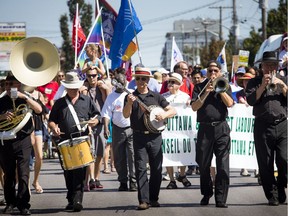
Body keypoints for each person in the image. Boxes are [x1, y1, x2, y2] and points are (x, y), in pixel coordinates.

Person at [123, 67, 176, 210]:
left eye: (144, 78)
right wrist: (128, 103)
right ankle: (143, 200)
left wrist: (163, 116)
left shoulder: (156, 96)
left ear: (148, 81)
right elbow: (126, 115)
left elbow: (173, 110)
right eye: (138, 78)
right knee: (140, 168)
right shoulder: (130, 96)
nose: (141, 81)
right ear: (135, 80)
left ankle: (154, 198)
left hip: (155, 136)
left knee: (156, 169)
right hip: (139, 136)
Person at [48, 71, 101, 212]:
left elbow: (97, 115)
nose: (73, 90)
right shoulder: (59, 103)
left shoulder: (87, 100)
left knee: (80, 171)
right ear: (66, 88)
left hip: (81, 139)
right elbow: (51, 120)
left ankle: (78, 199)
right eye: (70, 87)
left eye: (75, 87)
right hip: (64, 141)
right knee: (68, 172)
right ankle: (71, 198)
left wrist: (95, 120)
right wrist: (54, 128)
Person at [246, 51, 287, 206]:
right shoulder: (254, 82)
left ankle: (282, 185)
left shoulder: (283, 80)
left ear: (277, 66)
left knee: (284, 159)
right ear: (261, 66)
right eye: (267, 64)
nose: (270, 67)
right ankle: (272, 195)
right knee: (265, 163)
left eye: (273, 64)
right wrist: (263, 85)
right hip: (262, 125)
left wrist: (282, 84)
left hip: (282, 124)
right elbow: (250, 100)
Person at [191, 60, 234, 208]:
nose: (213, 73)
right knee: (203, 165)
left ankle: (221, 198)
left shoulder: (225, 85)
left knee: (222, 165)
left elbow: (230, 104)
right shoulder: (199, 87)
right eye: (210, 71)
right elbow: (194, 107)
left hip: (221, 128)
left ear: (220, 72)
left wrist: (220, 90)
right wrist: (206, 92)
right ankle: (207, 193)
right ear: (206, 73)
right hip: (205, 129)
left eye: (216, 71)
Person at [0, 74, 42, 215]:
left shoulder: (26, 97)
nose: (8, 86)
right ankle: (10, 203)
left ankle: (24, 204)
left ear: (19, 85)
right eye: (6, 84)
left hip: (23, 140)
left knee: (24, 173)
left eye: (11, 83)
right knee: (9, 174)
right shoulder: (1, 100)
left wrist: (25, 97)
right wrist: (1, 116)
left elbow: (39, 110)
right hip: (5, 141)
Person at [101, 68, 137, 191]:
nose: (122, 84)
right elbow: (106, 114)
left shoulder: (132, 93)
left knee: (132, 156)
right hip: (117, 130)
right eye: (119, 82)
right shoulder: (111, 97)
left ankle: (133, 181)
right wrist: (106, 128)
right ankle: (123, 181)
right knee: (119, 157)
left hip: (132, 129)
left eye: (124, 82)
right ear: (115, 83)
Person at [162, 73, 191, 189]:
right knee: (168, 154)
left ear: (179, 84)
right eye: (169, 82)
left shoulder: (185, 97)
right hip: (168, 131)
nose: (170, 84)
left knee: (183, 152)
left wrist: (190, 103)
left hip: (182, 131)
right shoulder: (163, 97)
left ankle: (182, 174)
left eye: (173, 82)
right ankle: (172, 179)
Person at [85, 67, 111, 191]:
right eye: (89, 75)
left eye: (94, 75)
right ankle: (90, 179)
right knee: (90, 153)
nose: (92, 78)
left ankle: (96, 178)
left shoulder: (102, 88)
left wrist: (106, 88)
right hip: (88, 124)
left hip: (100, 122)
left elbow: (109, 103)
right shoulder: (83, 89)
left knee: (100, 152)